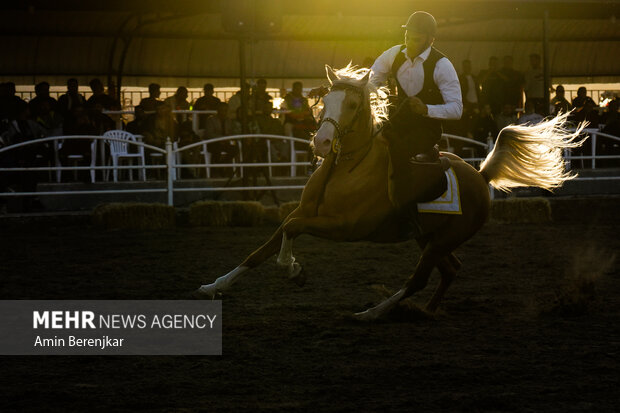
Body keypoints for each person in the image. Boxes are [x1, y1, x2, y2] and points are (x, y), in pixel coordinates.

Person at [368, 10, 462, 206]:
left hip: (426, 130)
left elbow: (456, 109)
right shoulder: (393, 54)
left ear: (430, 41)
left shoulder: (442, 65)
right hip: (397, 123)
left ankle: (402, 208)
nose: (409, 43)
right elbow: (370, 82)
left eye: (416, 39)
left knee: (398, 150)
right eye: (407, 37)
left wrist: (426, 109)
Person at [204, 102, 239, 177]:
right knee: (216, 149)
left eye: (225, 110)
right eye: (222, 110)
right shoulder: (211, 120)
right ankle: (219, 170)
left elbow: (232, 132)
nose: (223, 112)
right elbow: (209, 134)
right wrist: (220, 139)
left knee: (235, 149)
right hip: (214, 143)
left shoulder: (229, 121)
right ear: (218, 110)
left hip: (226, 143)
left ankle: (222, 164)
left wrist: (227, 138)